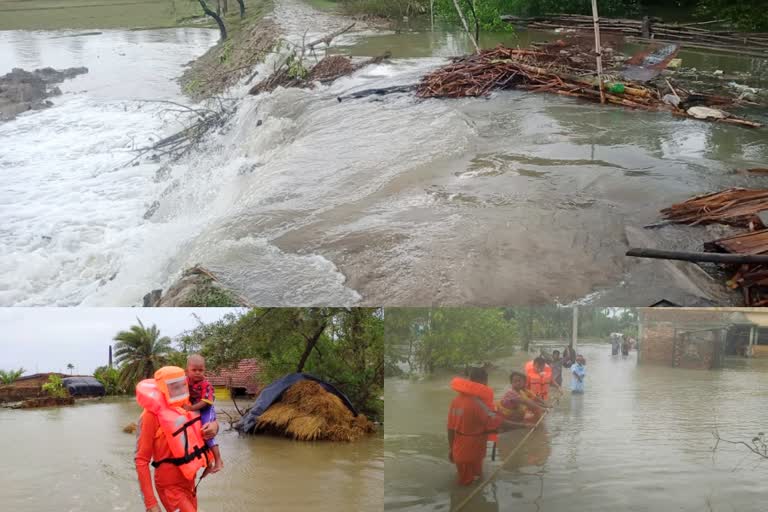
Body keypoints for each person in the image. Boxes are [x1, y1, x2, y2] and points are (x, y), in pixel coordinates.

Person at [135, 366, 219, 512]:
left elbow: (209, 422)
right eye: (174, 386)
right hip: (169, 485)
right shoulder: (151, 415)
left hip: (189, 481)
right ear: (163, 388)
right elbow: (141, 460)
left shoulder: (189, 406)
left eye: (182, 384)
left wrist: (215, 426)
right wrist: (151, 503)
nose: (180, 389)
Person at [447, 367, 507, 486]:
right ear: (485, 382)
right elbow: (496, 423)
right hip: (476, 447)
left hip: (460, 447)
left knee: (465, 482)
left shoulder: (456, 400)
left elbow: (450, 429)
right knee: (476, 479)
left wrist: (451, 449)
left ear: (470, 380)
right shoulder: (480, 403)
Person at [183, 354, 224, 475]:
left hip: (206, 409)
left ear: (204, 370)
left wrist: (190, 408)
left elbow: (204, 403)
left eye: (200, 370)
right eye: (194, 370)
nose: (197, 373)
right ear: (187, 371)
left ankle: (218, 460)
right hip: (194, 409)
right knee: (197, 436)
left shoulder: (206, 385)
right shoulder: (185, 381)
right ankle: (208, 463)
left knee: (207, 432)